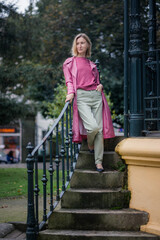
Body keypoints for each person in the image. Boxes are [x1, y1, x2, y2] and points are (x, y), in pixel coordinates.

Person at [63, 33, 115, 172]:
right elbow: (69, 80)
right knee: (93, 128)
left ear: (87, 45)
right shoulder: (69, 62)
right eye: (78, 43)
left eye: (83, 43)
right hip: (81, 97)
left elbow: (96, 81)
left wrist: (100, 86)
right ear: (75, 45)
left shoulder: (92, 64)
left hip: (96, 96)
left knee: (99, 131)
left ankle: (98, 162)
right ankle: (90, 144)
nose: (80, 45)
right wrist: (70, 92)